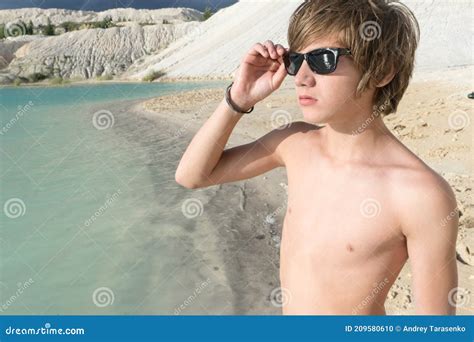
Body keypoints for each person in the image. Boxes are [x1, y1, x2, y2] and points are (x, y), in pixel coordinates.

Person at [175, 0, 459, 315]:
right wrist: (238, 99)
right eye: (296, 61)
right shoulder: (294, 143)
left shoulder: (421, 195)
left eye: (323, 60)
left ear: (381, 71)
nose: (301, 77)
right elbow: (192, 175)